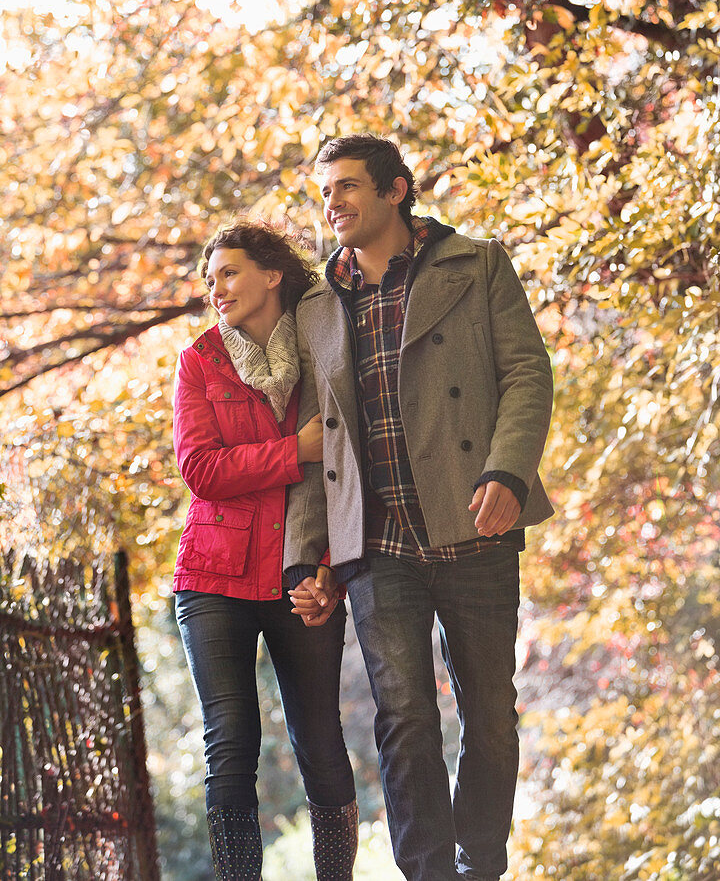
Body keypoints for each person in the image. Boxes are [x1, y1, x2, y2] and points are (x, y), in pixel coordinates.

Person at [284, 135, 554, 881]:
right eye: (325, 194)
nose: (333, 204)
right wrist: (307, 556)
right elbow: (318, 442)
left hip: (476, 522)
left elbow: (528, 373)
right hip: (379, 544)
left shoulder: (478, 263)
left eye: (347, 188)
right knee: (404, 720)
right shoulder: (315, 308)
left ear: (396, 189)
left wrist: (509, 472)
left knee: (492, 721)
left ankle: (481, 864)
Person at [172, 221, 358, 881]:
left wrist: (329, 572)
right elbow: (203, 471)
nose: (216, 289)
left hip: (300, 573)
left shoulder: (324, 355)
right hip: (213, 577)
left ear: (272, 275)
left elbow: (346, 477)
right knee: (231, 742)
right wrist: (293, 451)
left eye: (228, 273)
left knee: (319, 737)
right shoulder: (200, 360)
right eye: (210, 279)